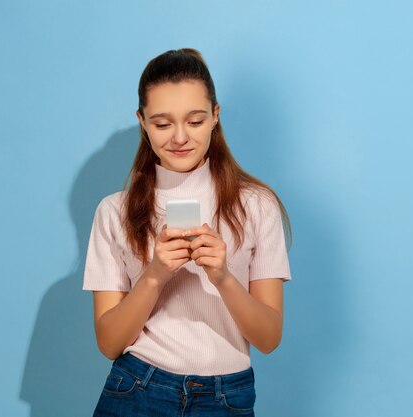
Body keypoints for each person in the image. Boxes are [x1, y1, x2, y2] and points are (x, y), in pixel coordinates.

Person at [82, 48, 292, 416]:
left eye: (195, 121)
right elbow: (110, 343)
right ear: (142, 122)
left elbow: (269, 337)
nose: (179, 137)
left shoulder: (257, 206)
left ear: (215, 116)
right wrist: (154, 276)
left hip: (227, 396)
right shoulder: (114, 212)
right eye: (162, 124)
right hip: (138, 388)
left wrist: (223, 277)